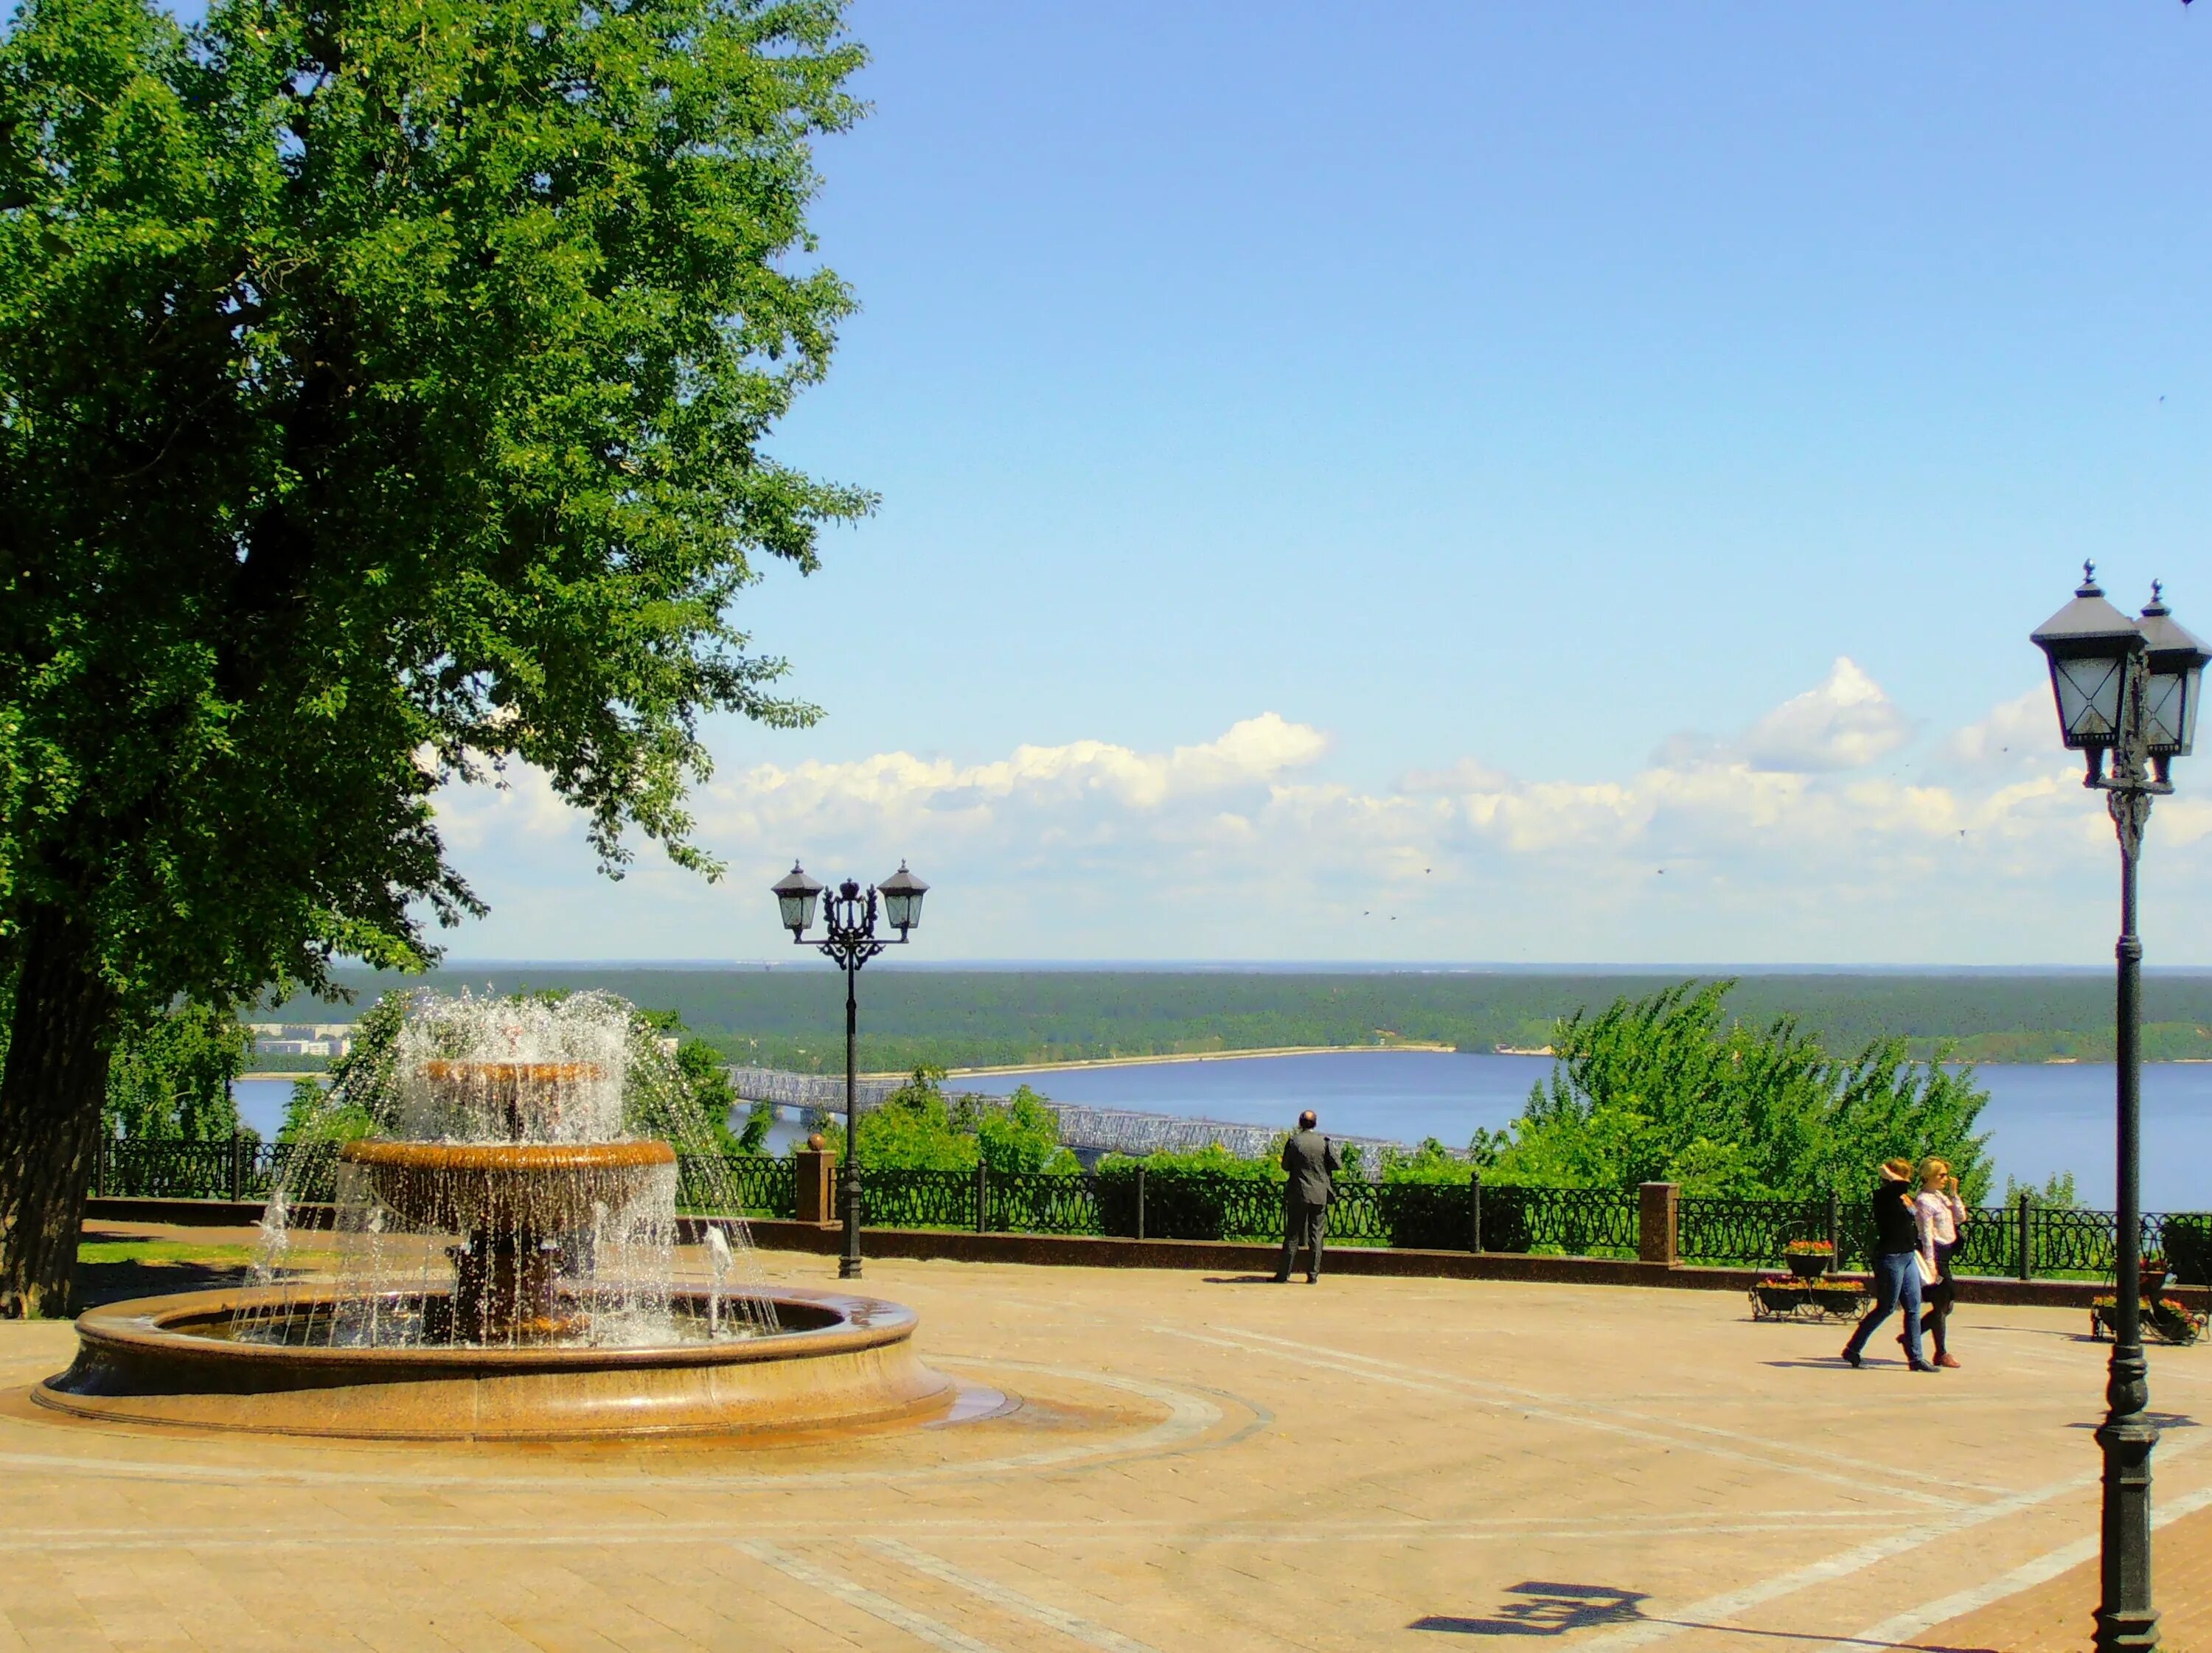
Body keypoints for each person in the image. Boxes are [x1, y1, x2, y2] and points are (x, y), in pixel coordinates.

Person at [1840, 1157, 1934, 1371]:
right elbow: (1901, 1184)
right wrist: (1889, 1174)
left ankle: (1915, 1358)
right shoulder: (1883, 1196)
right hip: (1889, 1258)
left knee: (1913, 1307)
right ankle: (1852, 1349)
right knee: (1886, 1307)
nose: (1907, 1180)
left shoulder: (1902, 1198)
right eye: (1904, 1175)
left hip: (1908, 1255)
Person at [1906, 1158, 1968, 1370]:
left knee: (1946, 1305)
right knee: (1943, 1302)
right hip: (1936, 1255)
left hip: (1947, 1254)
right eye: (1941, 1175)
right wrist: (1931, 1264)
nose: (1945, 1178)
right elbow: (1926, 1234)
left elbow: (1960, 1218)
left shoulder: (1940, 1197)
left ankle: (1910, 1337)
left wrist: (1954, 1194)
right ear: (1929, 1177)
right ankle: (1941, 1353)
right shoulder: (1924, 1201)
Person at [1274, 1110, 1342, 1284]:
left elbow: (1286, 1166)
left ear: (1300, 1123)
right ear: (1315, 1124)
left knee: (1292, 1235)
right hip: (1320, 1195)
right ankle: (1312, 1276)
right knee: (1317, 1235)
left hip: (1298, 1194)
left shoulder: (1294, 1142)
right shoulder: (1324, 1143)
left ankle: (1283, 1275)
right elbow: (1337, 1164)